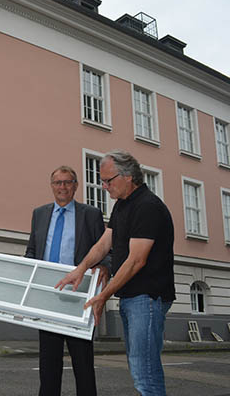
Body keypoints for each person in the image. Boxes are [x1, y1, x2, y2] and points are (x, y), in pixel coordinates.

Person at [56, 150, 175, 396]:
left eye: (108, 181)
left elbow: (135, 261)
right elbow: (103, 244)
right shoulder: (122, 206)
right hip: (133, 298)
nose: (104, 186)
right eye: (102, 181)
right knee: (139, 367)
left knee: (146, 373)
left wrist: (102, 296)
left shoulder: (148, 206)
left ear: (128, 177)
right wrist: (80, 269)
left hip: (148, 298)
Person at [25, 166, 109, 396]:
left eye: (67, 182)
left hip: (79, 298)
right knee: (48, 367)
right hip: (48, 296)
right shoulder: (39, 213)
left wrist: (104, 266)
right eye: (57, 183)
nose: (62, 187)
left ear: (75, 186)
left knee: (83, 365)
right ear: (52, 186)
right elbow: (32, 251)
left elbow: (105, 250)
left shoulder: (90, 214)